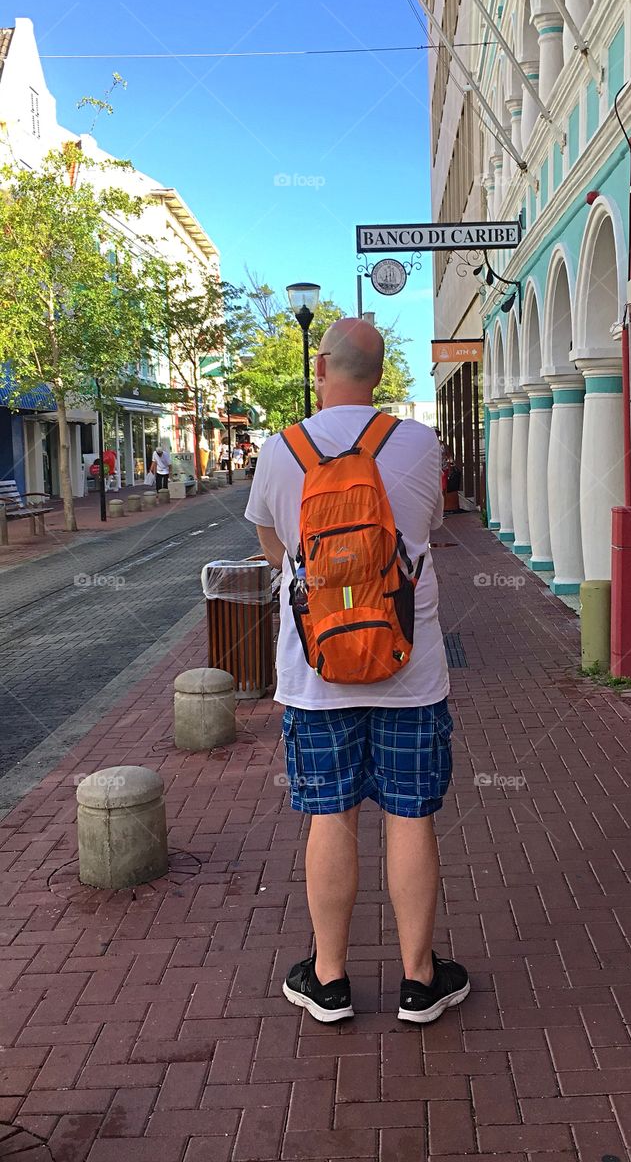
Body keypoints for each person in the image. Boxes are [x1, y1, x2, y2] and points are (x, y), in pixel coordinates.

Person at [245, 317, 468, 1026]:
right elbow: (427, 531)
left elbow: (275, 550)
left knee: (330, 818)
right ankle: (419, 980)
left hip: (317, 675)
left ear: (321, 365)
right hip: (408, 668)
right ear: (379, 373)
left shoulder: (280, 452)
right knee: (410, 816)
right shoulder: (420, 443)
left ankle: (330, 979)